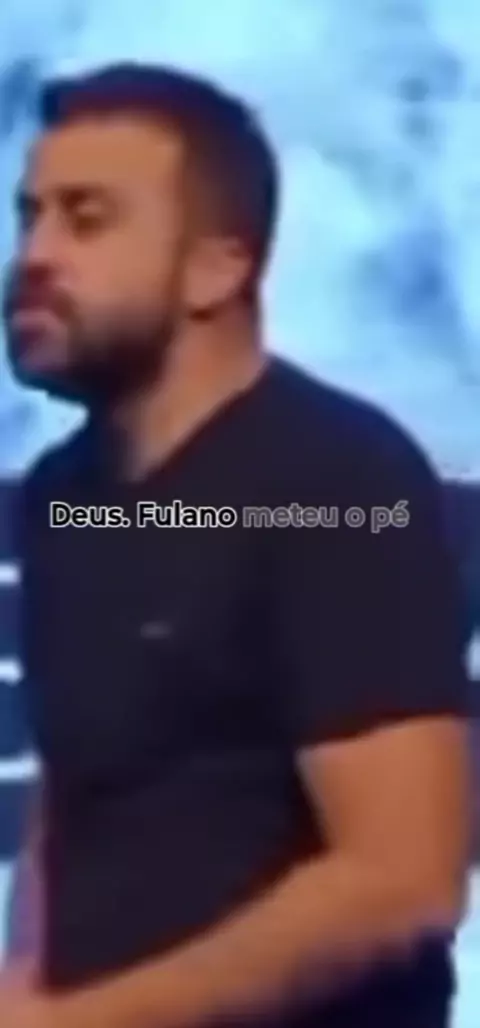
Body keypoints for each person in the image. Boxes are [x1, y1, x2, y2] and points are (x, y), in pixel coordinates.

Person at [1, 63, 470, 1028]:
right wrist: (26, 980)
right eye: (29, 217)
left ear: (219, 270)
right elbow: (75, 794)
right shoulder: (63, 497)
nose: (35, 255)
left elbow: (403, 882)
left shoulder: (338, 483)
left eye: (87, 220)